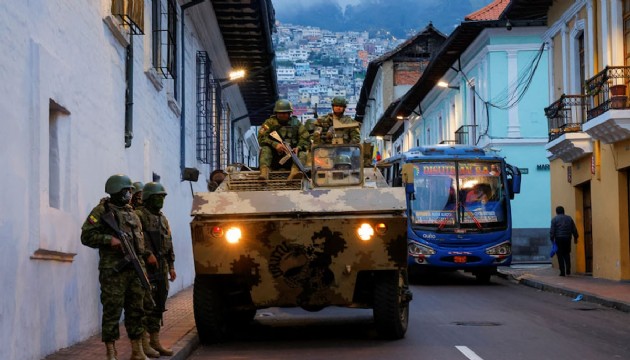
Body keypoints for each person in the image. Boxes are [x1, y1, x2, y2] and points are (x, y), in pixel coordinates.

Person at [81, 174, 157, 360]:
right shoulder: (101, 211)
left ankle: (137, 349)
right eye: (126, 190)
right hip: (113, 271)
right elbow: (86, 236)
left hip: (135, 270)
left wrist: (146, 257)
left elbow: (139, 243)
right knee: (112, 310)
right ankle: (111, 352)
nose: (130, 194)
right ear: (116, 190)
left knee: (136, 310)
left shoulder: (132, 213)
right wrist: (109, 240)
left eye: (130, 190)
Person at [136, 182, 176, 356]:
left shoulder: (162, 218)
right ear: (148, 198)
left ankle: (155, 340)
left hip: (161, 267)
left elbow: (169, 242)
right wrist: (146, 254)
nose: (161, 200)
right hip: (146, 267)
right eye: (158, 197)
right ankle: (144, 344)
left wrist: (171, 266)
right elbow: (135, 240)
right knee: (146, 305)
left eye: (163, 197)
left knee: (159, 304)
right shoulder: (139, 215)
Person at [258, 99, 310, 180]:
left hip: (292, 157)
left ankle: (295, 172)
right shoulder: (269, 123)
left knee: (303, 153)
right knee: (265, 149)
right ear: (276, 113)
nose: (282, 115)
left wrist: (298, 148)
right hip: (274, 156)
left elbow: (305, 138)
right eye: (280, 113)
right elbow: (261, 138)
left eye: (285, 113)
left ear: (290, 113)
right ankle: (264, 172)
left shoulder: (296, 123)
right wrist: (275, 145)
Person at [550, 205, 579, 276]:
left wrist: (552, 239)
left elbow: (552, 231)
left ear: (556, 212)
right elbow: (574, 229)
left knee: (559, 255)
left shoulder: (554, 219)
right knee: (566, 253)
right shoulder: (569, 218)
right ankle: (568, 269)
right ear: (563, 211)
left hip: (558, 239)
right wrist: (576, 237)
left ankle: (562, 271)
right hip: (567, 238)